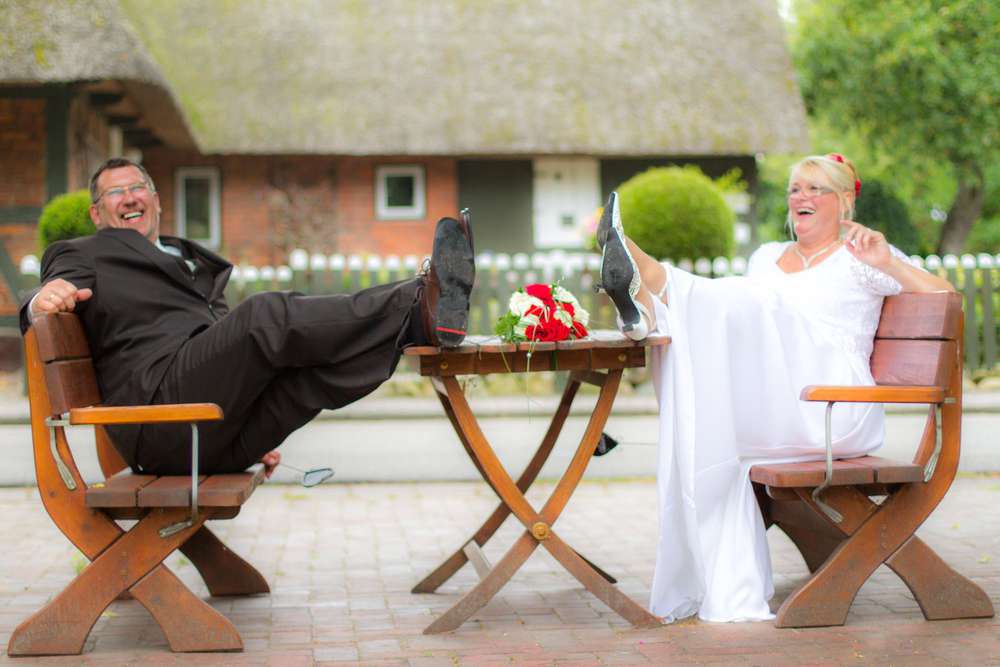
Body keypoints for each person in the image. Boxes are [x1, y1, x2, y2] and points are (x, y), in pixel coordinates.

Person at [596, 153, 953, 623]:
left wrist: (888, 262)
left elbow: (945, 295)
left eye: (815, 189)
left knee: (759, 301)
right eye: (794, 189)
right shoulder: (767, 257)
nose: (801, 197)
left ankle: (655, 287)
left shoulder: (861, 255)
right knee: (712, 433)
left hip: (834, 405)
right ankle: (653, 309)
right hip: (777, 398)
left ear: (844, 200)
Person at [21, 157, 476, 477]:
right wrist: (41, 299)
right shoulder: (86, 253)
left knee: (307, 381)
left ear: (156, 200)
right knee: (262, 316)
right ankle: (415, 303)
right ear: (97, 213)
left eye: (137, 187)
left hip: (212, 431)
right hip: (159, 417)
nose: (128, 197)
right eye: (114, 193)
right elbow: (52, 283)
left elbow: (226, 353)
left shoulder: (190, 262)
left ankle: (413, 324)